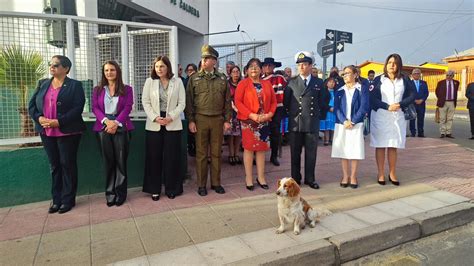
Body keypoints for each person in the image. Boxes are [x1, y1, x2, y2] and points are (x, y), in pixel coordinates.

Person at [28, 55, 86, 214]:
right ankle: (56, 199)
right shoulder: (43, 84)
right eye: (50, 64)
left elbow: (77, 108)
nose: (51, 67)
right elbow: (31, 105)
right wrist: (39, 118)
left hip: (68, 131)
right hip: (46, 131)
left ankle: (68, 200)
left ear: (66, 68)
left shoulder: (75, 85)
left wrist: (58, 122)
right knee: (54, 166)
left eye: (56, 65)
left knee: (67, 164)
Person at [185, 45, 232, 196]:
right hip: (200, 119)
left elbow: (227, 101)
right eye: (203, 58)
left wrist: (227, 120)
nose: (204, 61)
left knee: (217, 153)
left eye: (207, 58)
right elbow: (189, 101)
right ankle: (201, 185)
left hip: (218, 119)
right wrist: (191, 120)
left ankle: (216, 183)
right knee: (201, 153)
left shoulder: (222, 78)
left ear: (214, 61)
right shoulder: (194, 78)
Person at [142, 56, 186, 201]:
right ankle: (154, 189)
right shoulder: (150, 82)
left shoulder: (178, 82)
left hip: (172, 123)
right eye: (157, 67)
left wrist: (171, 117)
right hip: (154, 123)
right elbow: (146, 102)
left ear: (168, 67)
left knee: (172, 157)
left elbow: (182, 103)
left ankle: (172, 188)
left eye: (162, 66)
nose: (159, 69)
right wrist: (155, 117)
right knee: (153, 157)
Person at [283, 51, 328, 189]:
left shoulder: (318, 83)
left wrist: (318, 117)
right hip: (296, 123)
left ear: (310, 66)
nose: (301, 67)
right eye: (299, 65)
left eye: (304, 64)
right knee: (294, 154)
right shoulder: (292, 82)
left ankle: (310, 179)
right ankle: (295, 179)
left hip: (311, 123)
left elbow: (324, 101)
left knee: (311, 154)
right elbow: (286, 102)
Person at [92, 61, 134, 207]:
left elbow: (128, 108)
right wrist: (106, 122)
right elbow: (95, 108)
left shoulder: (127, 89)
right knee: (108, 162)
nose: (109, 73)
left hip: (121, 126)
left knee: (121, 162)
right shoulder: (97, 90)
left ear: (118, 71)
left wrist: (115, 123)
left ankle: (120, 193)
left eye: (112, 70)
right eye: (106, 70)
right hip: (103, 128)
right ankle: (110, 194)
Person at [369, 53, 415, 186]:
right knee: (380, 145)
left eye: (394, 63)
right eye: (389, 62)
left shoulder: (405, 80)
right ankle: (381, 173)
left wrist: (400, 104)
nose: (392, 65)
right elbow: (372, 99)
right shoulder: (379, 80)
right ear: (386, 64)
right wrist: (386, 106)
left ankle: (393, 173)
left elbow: (413, 95)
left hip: (397, 116)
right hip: (381, 116)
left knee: (393, 145)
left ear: (399, 65)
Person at [235, 58, 277, 190]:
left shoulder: (267, 84)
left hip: (264, 121)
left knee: (261, 150)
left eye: (257, 66)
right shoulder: (243, 84)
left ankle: (261, 177)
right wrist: (251, 115)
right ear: (246, 70)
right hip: (249, 122)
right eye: (251, 66)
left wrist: (269, 114)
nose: (254, 68)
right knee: (249, 149)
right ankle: (248, 178)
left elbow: (274, 102)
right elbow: (238, 102)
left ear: (261, 69)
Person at [331, 65, 369, 189]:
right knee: (343, 150)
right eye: (344, 74)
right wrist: (344, 121)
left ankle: (353, 176)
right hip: (342, 124)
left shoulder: (361, 88)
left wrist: (352, 121)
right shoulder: (340, 90)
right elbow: (336, 108)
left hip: (355, 124)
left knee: (354, 151)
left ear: (355, 74)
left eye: (347, 73)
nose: (345, 76)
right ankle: (345, 176)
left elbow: (364, 107)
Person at [262, 57, 287, 166]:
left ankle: (274, 156)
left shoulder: (279, 78)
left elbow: (286, 90)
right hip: (263, 110)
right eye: (265, 65)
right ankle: (260, 156)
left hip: (277, 109)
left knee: (275, 133)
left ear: (274, 67)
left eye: (270, 65)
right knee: (262, 133)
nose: (267, 67)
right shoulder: (259, 79)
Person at [226, 65, 243, 165]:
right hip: (230, 111)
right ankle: (231, 155)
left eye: (237, 71)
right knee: (230, 135)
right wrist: (233, 107)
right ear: (230, 73)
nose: (236, 74)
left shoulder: (242, 83)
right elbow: (227, 98)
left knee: (238, 134)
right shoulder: (227, 84)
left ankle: (236, 154)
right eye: (234, 72)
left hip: (240, 111)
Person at [435, 70, 459, 138]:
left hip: (452, 102)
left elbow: (455, 92)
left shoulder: (456, 83)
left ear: (453, 76)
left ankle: (448, 132)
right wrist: (441, 99)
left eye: (450, 75)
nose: (448, 77)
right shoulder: (440, 83)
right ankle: (442, 132)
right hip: (443, 102)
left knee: (450, 118)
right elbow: (437, 92)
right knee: (442, 118)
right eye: (447, 75)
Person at [409, 68, 429, 137]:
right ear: (412, 75)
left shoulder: (424, 83)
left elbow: (426, 93)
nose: (417, 75)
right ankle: (413, 133)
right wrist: (413, 100)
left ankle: (421, 133)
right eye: (415, 73)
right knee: (412, 119)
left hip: (421, 104)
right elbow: (407, 93)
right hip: (412, 104)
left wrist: (422, 100)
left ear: (420, 75)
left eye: (418, 73)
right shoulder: (409, 83)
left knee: (421, 119)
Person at [184, 63, 198, 157]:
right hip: (188, 110)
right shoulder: (185, 81)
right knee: (190, 131)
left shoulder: (198, 80)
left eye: (192, 70)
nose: (190, 72)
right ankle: (191, 148)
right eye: (188, 70)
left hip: (198, 110)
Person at [320, 77, 336, 145]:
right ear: (327, 83)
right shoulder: (324, 92)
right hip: (327, 111)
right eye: (330, 82)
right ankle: (326, 140)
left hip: (335, 111)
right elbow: (322, 102)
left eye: (333, 82)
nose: (332, 83)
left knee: (333, 126)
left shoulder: (337, 92)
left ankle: (332, 139)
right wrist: (329, 108)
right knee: (327, 126)